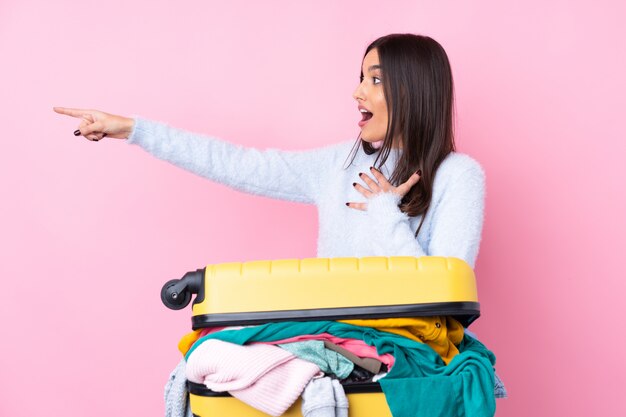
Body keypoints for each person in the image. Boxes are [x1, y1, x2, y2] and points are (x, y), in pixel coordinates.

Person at [53, 33, 486, 268]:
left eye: (374, 79)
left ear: (413, 91)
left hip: (406, 358)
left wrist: (385, 214)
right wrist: (133, 129)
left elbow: (443, 293)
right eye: (361, 77)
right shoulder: (340, 165)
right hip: (331, 345)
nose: (356, 92)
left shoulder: (458, 176)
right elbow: (238, 165)